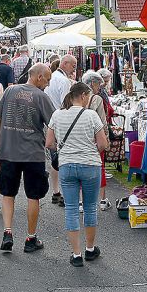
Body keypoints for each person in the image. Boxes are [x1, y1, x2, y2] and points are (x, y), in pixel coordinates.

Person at [0, 64, 56, 253]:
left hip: (8, 151)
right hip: (32, 153)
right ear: (38, 77)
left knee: (8, 193)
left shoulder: (10, 91)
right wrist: (53, 146)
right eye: (48, 79)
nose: (48, 83)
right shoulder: (41, 97)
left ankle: (8, 232)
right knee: (33, 196)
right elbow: (53, 124)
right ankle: (30, 237)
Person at [47, 83, 108, 267]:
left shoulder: (57, 115)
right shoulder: (91, 115)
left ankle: (76, 254)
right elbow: (103, 144)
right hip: (90, 165)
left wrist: (63, 149)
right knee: (90, 207)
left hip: (66, 165)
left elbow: (49, 142)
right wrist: (90, 149)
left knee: (71, 209)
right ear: (82, 96)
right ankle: (90, 249)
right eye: (88, 96)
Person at [46, 54, 77, 206]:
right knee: (63, 159)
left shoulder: (50, 77)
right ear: (65, 64)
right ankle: (64, 194)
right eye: (73, 66)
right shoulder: (63, 80)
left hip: (49, 121)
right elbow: (67, 104)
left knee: (55, 160)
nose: (74, 70)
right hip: (61, 122)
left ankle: (56, 191)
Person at [82, 70, 113, 210]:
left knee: (81, 167)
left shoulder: (75, 96)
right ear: (93, 83)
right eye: (98, 84)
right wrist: (106, 138)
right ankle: (102, 200)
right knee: (99, 167)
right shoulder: (96, 99)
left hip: (80, 138)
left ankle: (81, 202)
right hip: (95, 138)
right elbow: (102, 122)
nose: (99, 87)